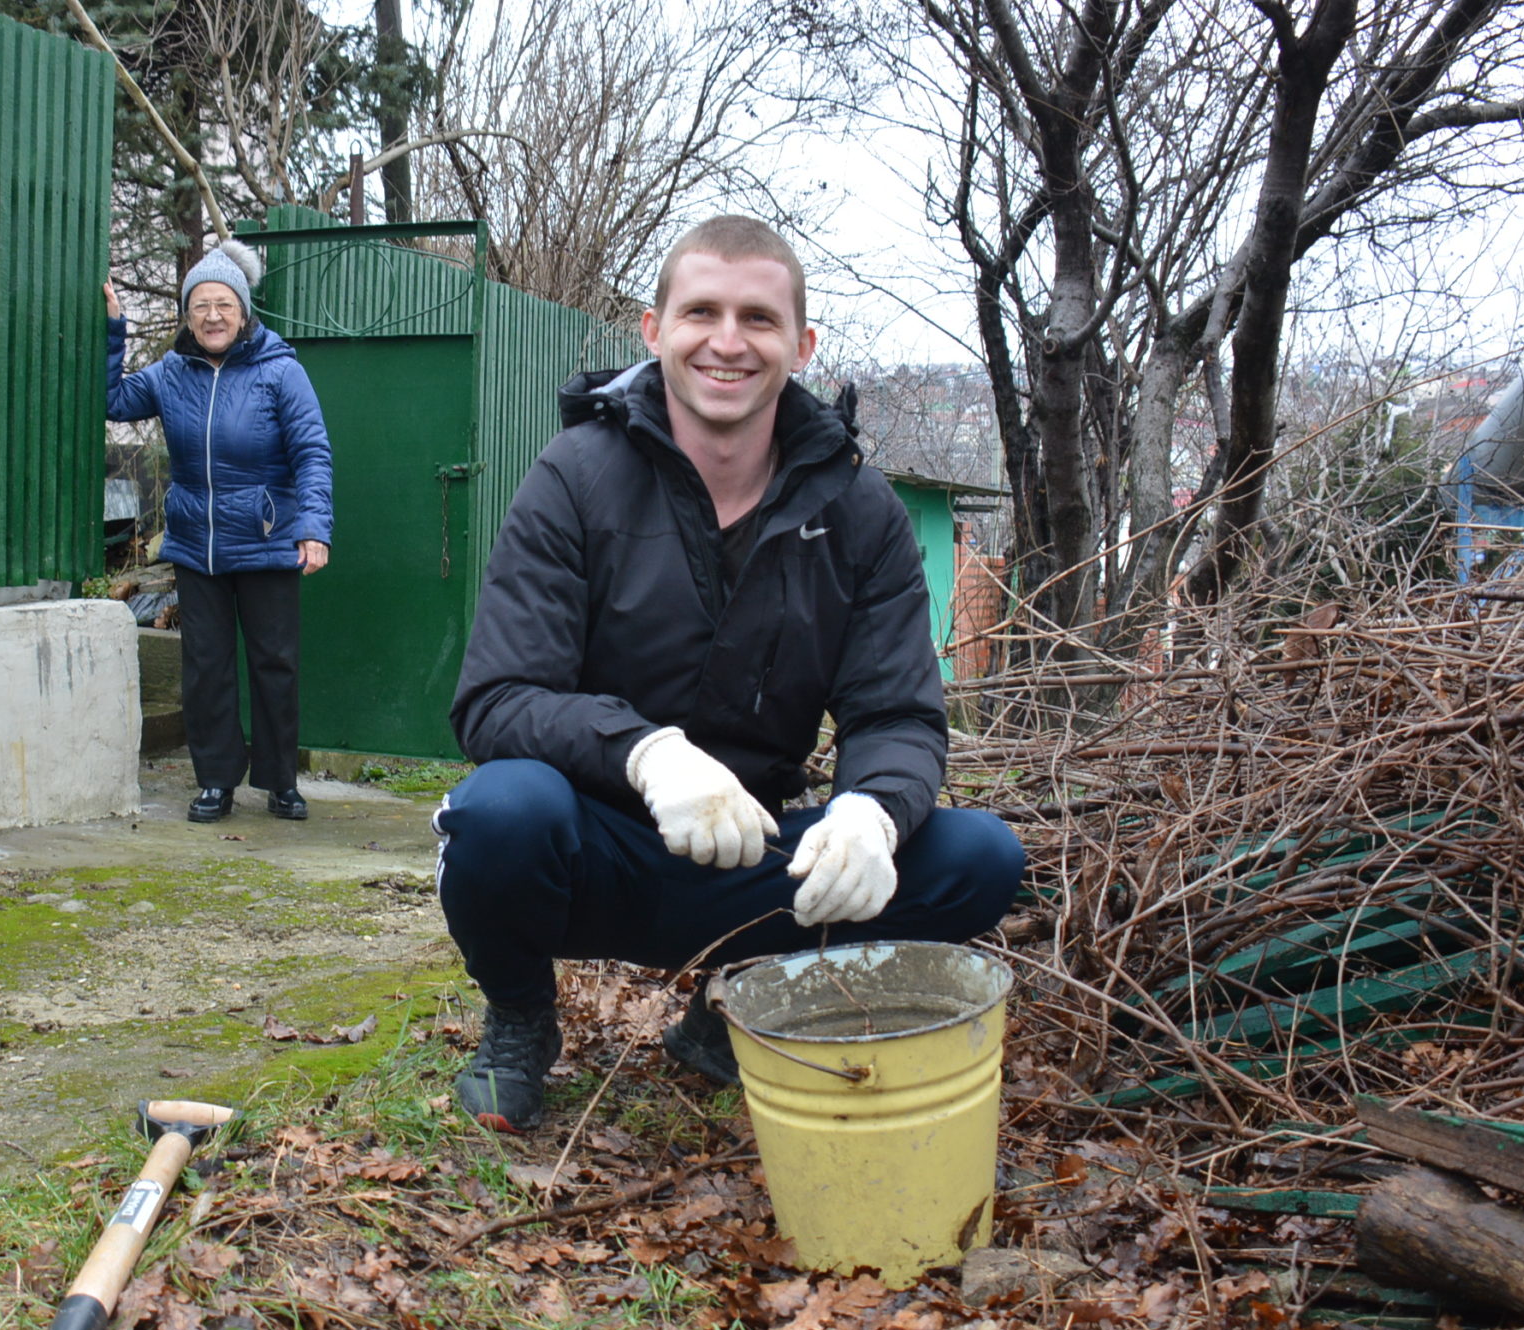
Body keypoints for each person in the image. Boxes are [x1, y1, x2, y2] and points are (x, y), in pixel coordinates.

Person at [436, 215, 1026, 1132]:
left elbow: (898, 717)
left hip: (759, 861)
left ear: (802, 344)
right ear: (653, 329)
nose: (727, 341)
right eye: (701, 312)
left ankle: (734, 1004)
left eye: (758, 318)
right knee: (497, 813)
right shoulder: (574, 476)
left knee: (979, 858)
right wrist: (646, 755)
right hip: (596, 844)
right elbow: (498, 699)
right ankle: (520, 1017)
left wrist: (871, 811)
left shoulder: (860, 511)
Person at [106, 240, 333, 823]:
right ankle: (215, 781)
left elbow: (311, 452)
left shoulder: (280, 371)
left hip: (266, 540)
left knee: (274, 665)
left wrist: (313, 527)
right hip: (197, 544)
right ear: (187, 315)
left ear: (243, 310)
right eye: (200, 305)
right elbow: (112, 401)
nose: (212, 316)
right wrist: (113, 329)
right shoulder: (169, 373)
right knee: (205, 667)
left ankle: (281, 781)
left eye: (223, 305)